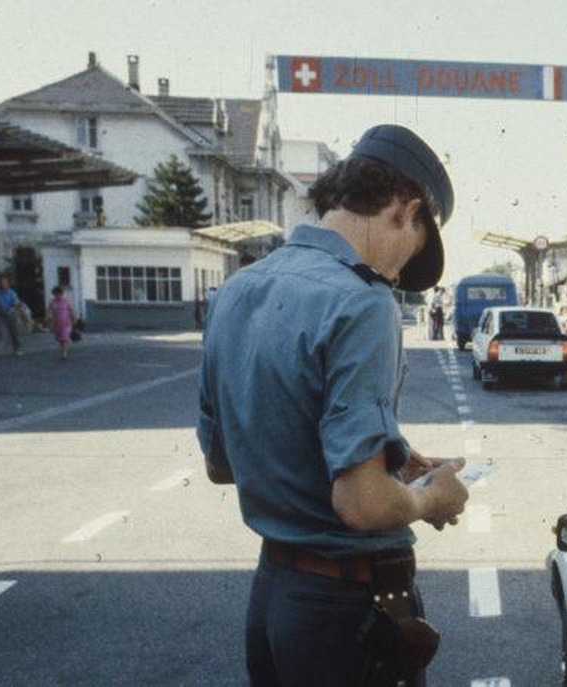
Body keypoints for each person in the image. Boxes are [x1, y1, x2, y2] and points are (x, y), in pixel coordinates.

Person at [198, 124, 468, 687]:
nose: (396, 276)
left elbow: (223, 464)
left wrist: (387, 454)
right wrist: (429, 498)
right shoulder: (362, 301)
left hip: (275, 598)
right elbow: (363, 505)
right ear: (404, 210)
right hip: (348, 608)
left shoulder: (238, 291)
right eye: (408, 256)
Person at [0, 276, 23, 356]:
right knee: (1, 333)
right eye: (1, 282)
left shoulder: (12, 293)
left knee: (15, 334)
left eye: (4, 282)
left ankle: (17, 349)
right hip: (1, 315)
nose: (3, 284)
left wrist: (12, 309)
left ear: (8, 283)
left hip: (12, 315)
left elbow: (17, 304)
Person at [47, 286, 76, 360]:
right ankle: (64, 349)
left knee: (65, 338)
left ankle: (64, 353)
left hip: (66, 322)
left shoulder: (66, 301)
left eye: (59, 294)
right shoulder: (52, 302)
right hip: (57, 324)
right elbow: (48, 311)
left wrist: (74, 320)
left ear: (62, 294)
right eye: (56, 294)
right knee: (61, 339)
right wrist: (48, 318)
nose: (58, 296)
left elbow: (71, 311)